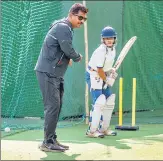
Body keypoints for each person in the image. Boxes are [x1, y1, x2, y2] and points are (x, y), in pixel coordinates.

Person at [35, 3, 88, 152]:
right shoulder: (64, 27)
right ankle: (47, 142)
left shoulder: (64, 26)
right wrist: (77, 57)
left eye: (84, 19)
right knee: (52, 107)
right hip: (48, 72)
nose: (82, 21)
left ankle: (51, 138)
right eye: (80, 18)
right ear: (71, 14)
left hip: (56, 74)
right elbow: (66, 46)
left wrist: (66, 57)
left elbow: (59, 46)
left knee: (55, 108)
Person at [85, 26, 118, 138]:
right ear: (103, 39)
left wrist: (111, 71)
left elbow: (105, 67)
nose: (109, 40)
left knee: (109, 101)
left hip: (103, 74)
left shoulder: (113, 49)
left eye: (111, 38)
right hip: (94, 75)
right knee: (99, 102)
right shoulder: (100, 51)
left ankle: (104, 129)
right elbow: (99, 69)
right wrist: (107, 80)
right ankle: (92, 131)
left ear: (114, 39)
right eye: (106, 38)